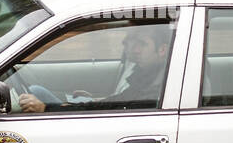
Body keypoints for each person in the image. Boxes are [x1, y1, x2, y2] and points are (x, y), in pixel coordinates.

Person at [17, 23, 171, 113]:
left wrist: (46, 109)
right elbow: (120, 101)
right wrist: (96, 100)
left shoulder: (159, 85)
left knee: (35, 93)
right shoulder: (146, 72)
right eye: (130, 43)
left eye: (141, 44)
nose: (132, 49)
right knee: (36, 91)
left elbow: (117, 108)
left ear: (162, 50)